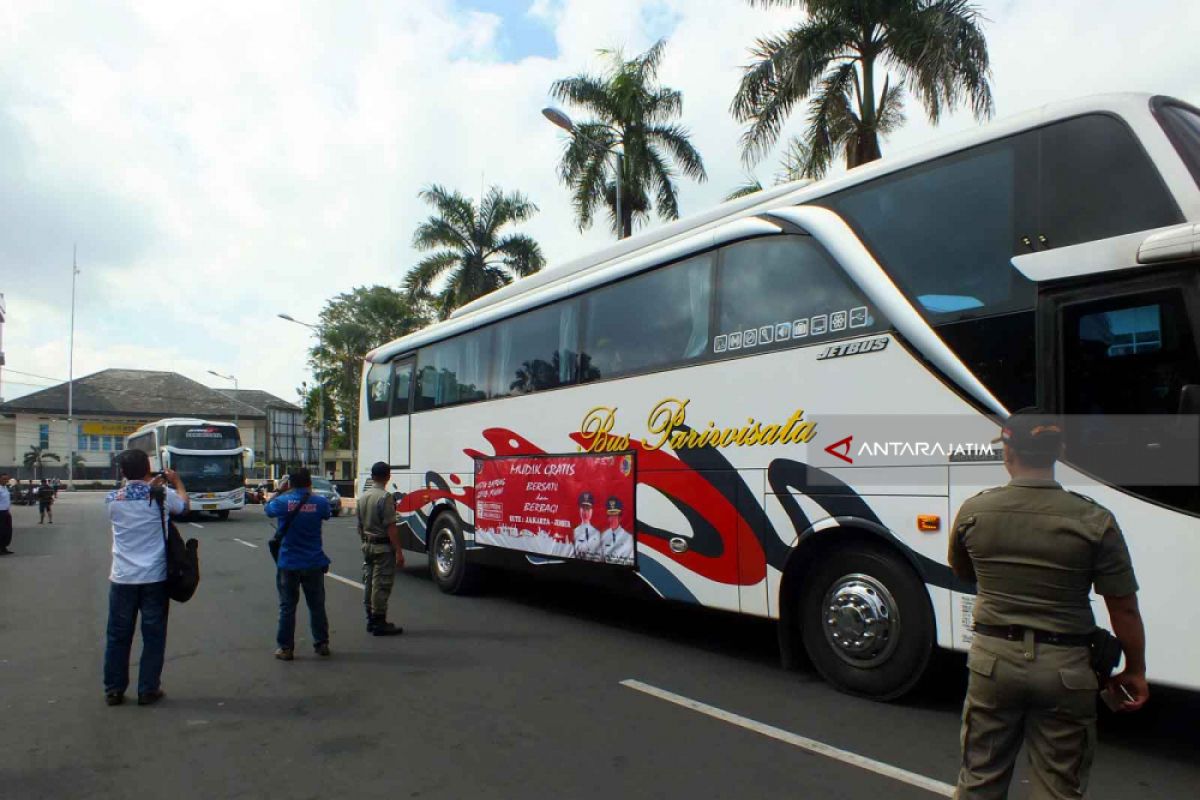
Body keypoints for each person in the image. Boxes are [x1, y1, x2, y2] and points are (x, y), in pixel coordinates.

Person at [949, 409, 1148, 800]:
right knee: (1058, 788)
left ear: (1008, 452)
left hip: (993, 664)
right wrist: (1136, 669)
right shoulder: (1094, 519)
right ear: (1059, 449)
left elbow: (963, 572)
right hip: (1067, 670)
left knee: (979, 782)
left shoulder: (975, 511)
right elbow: (1123, 607)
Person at [103, 449, 189, 706]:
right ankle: (148, 689)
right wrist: (176, 481)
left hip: (122, 578)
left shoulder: (111, 499)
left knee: (118, 635)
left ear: (122, 472)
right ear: (149, 468)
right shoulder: (162, 495)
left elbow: (129, 493)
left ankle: (114, 689)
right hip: (154, 577)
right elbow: (184, 506)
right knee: (153, 634)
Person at [265, 468, 332, 659]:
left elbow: (267, 509)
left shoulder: (282, 502)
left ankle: (286, 648)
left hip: (288, 563)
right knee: (317, 606)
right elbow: (327, 513)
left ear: (290, 484)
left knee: (287, 606)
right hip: (313, 562)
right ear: (310, 482)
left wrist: (279, 490)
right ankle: (322, 643)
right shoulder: (319, 502)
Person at [356, 461, 403, 636]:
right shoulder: (385, 497)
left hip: (367, 545)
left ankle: (370, 618)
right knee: (381, 584)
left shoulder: (363, 497)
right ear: (388, 477)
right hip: (382, 547)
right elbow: (391, 527)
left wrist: (365, 541)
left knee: (368, 582)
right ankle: (379, 621)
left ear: (372, 476)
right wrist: (398, 551)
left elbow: (359, 525)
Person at [600, 496, 634, 566]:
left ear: (620, 518)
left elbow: (631, 561)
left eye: (615, 516)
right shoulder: (604, 536)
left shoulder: (628, 538)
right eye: (610, 516)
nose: (612, 519)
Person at [572, 491, 601, 562]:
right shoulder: (574, 532)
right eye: (583, 508)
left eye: (588, 509)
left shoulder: (597, 533)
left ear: (592, 511)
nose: (585, 512)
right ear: (580, 510)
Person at [0, 472, 12, 555]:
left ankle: (4, 547)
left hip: (6, 512)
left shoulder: (5, 488)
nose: (5, 480)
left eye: (7, 479)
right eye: (4, 479)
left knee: (7, 531)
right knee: (1, 531)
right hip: (0, 512)